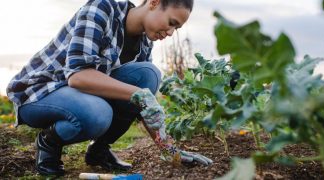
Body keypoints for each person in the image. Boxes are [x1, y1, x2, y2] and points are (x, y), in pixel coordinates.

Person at [6, 0, 212, 176]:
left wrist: (169, 149)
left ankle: (99, 150)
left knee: (148, 73)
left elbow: (142, 104)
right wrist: (138, 94)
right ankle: (49, 141)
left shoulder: (144, 43)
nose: (170, 32)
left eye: (176, 29)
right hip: (38, 93)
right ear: (154, 2)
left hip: (77, 96)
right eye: (171, 23)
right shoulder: (102, 9)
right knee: (98, 113)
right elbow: (78, 76)